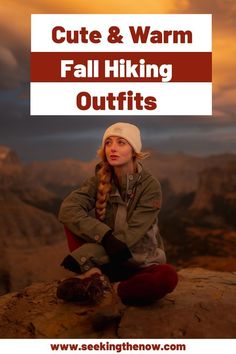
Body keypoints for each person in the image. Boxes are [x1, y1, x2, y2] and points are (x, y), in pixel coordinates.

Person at [57, 122, 178, 305]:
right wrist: (105, 236)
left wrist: (85, 255)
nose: (113, 148)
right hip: (108, 259)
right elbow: (68, 209)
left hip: (138, 260)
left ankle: (110, 288)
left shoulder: (150, 187)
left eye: (121, 142)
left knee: (167, 276)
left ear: (134, 150)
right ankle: (97, 277)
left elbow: (131, 237)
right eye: (108, 143)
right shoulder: (98, 180)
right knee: (72, 220)